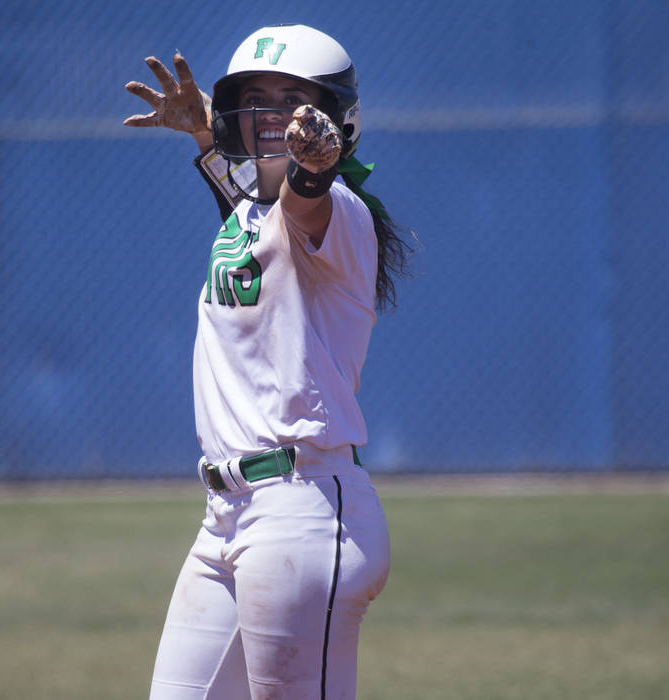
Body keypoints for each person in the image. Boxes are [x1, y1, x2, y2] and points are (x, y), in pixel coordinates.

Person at [124, 23, 412, 700]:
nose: (271, 112)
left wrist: (314, 168)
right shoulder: (252, 215)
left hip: (302, 512)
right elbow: (256, 211)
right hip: (227, 517)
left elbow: (303, 207)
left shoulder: (337, 209)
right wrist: (203, 137)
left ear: (337, 118)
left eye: (292, 98)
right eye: (255, 98)